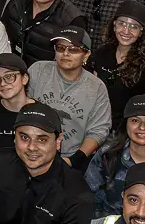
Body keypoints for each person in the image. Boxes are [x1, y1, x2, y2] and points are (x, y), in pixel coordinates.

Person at [27, 25, 112, 165]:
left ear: (86, 54)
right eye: (60, 48)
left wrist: (74, 160)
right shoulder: (38, 70)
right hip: (31, 152)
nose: (65, 53)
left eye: (73, 49)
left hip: (71, 158)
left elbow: (99, 130)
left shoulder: (96, 87)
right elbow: (21, 108)